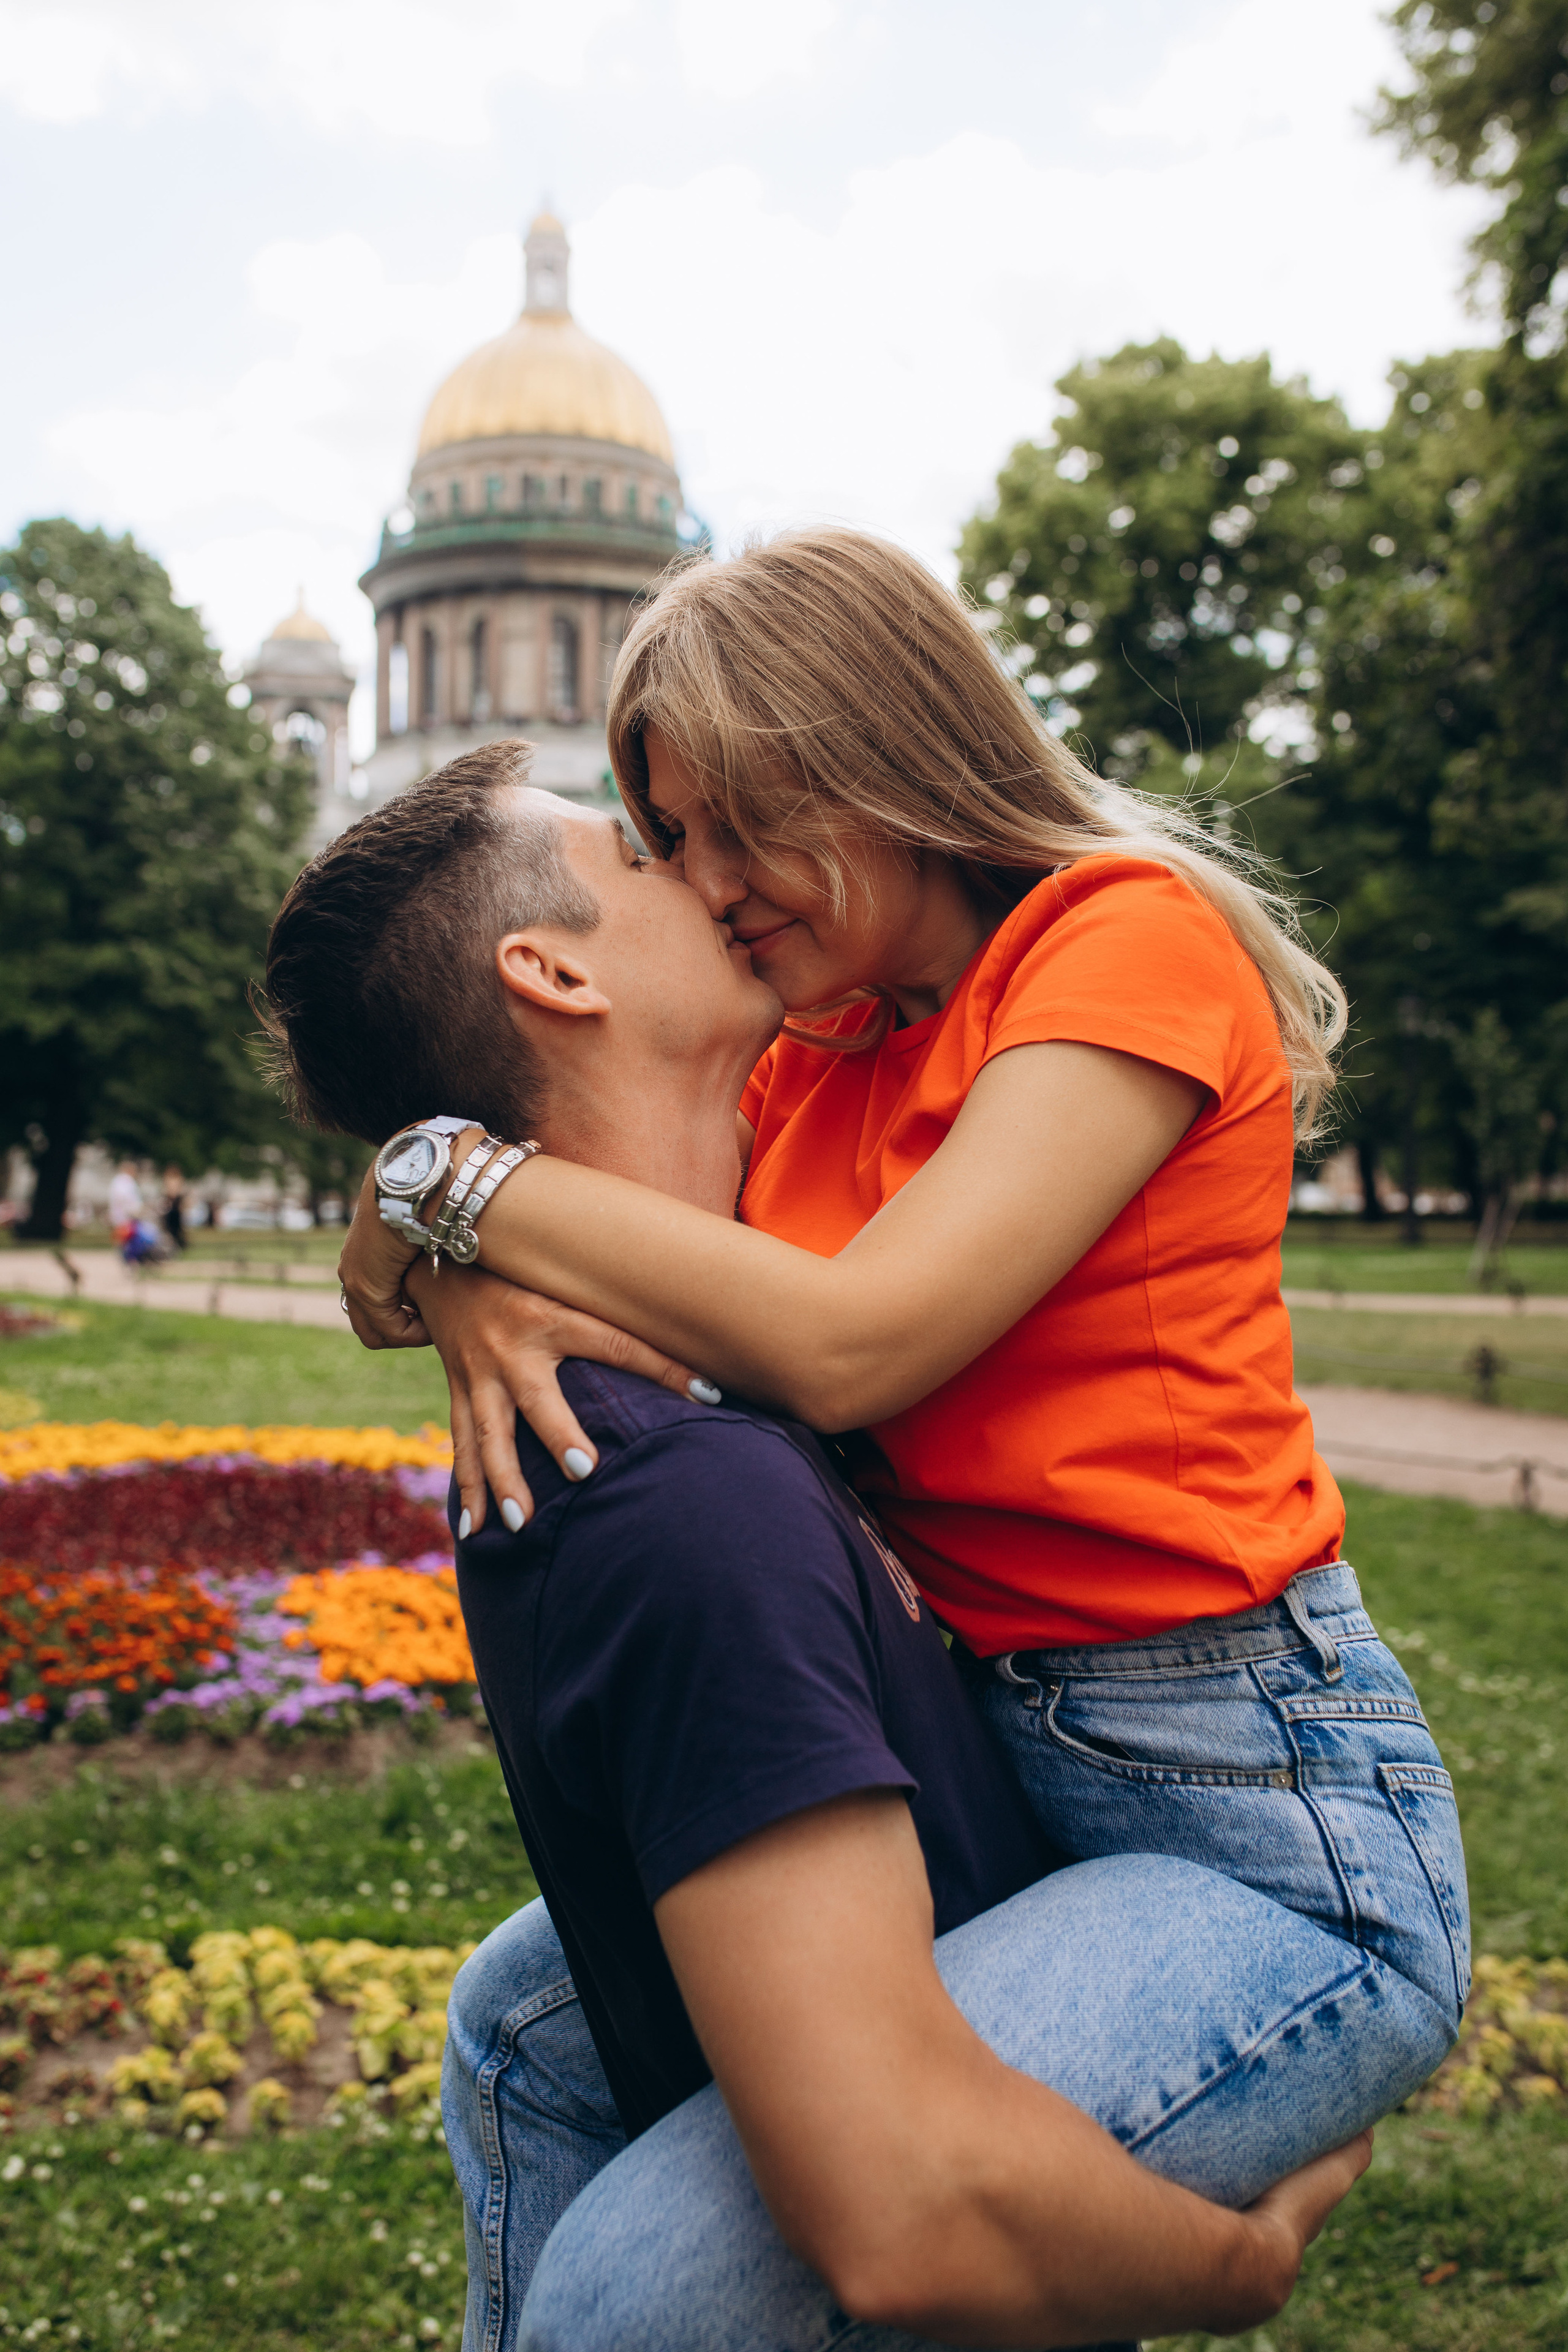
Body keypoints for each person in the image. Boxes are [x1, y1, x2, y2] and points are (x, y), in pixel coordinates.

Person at [273, 752, 1453, 2350]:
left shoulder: (884, 1059)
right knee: (612, 2264)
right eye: (653, 851)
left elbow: (842, 1338)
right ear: (550, 971)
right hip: (1092, 1767)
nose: (713, 878)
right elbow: (903, 2219)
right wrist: (1233, 2271)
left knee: (521, 2035)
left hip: (1264, 1799)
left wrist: (454, 1198)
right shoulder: (685, 1497)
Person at [160, 1164, 189, 1251]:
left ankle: (179, 1244)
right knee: (171, 1227)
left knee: (176, 1227)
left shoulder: (174, 1180)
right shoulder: (173, 1180)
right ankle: (174, 1244)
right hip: (172, 1206)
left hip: (175, 1206)